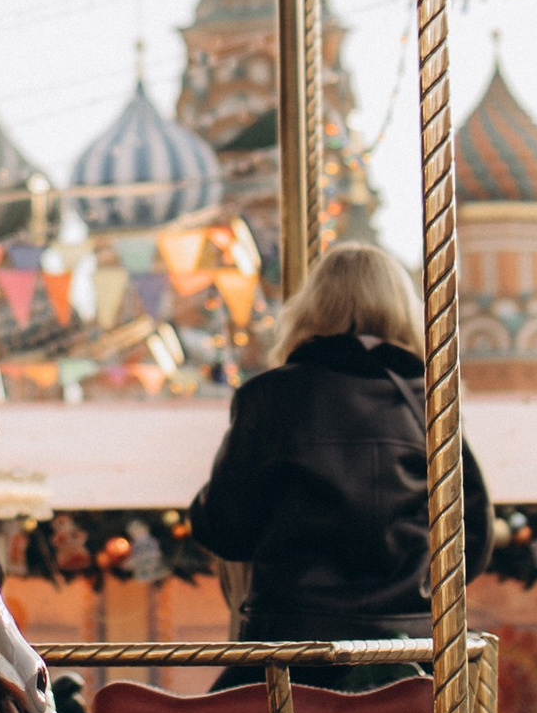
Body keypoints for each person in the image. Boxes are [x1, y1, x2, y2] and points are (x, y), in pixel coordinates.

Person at [185, 243, 489, 679]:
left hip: (294, 649)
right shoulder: (432, 402)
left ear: (312, 308)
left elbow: (225, 529)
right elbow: (471, 539)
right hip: (415, 655)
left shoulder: (270, 396)